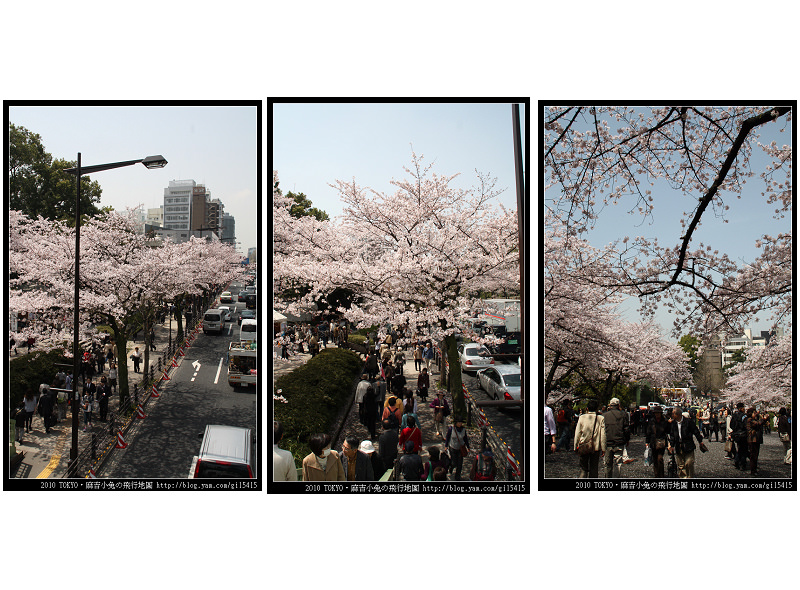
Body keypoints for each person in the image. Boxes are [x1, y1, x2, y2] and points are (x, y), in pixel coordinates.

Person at [668, 407, 706, 478]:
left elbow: (696, 431)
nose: (672, 415)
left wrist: (700, 441)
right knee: (681, 465)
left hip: (688, 445)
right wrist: (671, 445)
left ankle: (689, 477)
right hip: (678, 446)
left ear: (678, 414)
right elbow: (672, 435)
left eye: (673, 414)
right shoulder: (673, 424)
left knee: (689, 463)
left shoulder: (688, 422)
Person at [574, 399, 605, 478]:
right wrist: (604, 448)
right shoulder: (600, 418)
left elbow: (577, 433)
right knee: (594, 468)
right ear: (596, 408)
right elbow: (603, 434)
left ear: (587, 408)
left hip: (584, 445)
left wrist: (575, 446)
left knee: (583, 468)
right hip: (595, 447)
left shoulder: (582, 417)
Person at [603, 397, 630, 478]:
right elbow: (626, 429)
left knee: (607, 464)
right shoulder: (623, 414)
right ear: (618, 405)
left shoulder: (604, 415)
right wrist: (627, 439)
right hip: (619, 442)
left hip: (608, 442)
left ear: (610, 405)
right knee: (618, 464)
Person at [730, 402, 749, 471]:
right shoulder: (744, 416)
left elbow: (731, 425)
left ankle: (737, 461)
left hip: (736, 435)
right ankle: (742, 464)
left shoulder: (734, 415)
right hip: (743, 434)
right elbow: (746, 425)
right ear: (741, 408)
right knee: (743, 449)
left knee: (739, 448)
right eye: (743, 407)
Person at [746, 408, 764, 476]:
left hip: (755, 439)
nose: (755, 414)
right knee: (753, 455)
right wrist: (763, 419)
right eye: (754, 413)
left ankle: (754, 469)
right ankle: (753, 470)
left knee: (755, 455)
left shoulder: (753, 420)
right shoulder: (750, 420)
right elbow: (758, 424)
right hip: (752, 439)